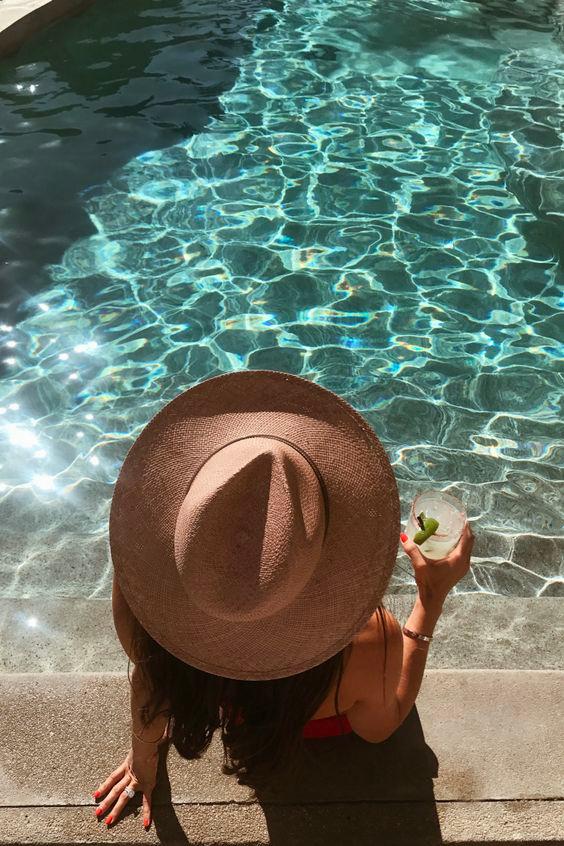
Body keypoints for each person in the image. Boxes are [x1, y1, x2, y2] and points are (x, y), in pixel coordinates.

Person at [91, 370, 473, 830]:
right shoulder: (369, 639)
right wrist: (430, 599)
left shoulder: (143, 603)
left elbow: (151, 680)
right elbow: (380, 726)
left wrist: (143, 765)